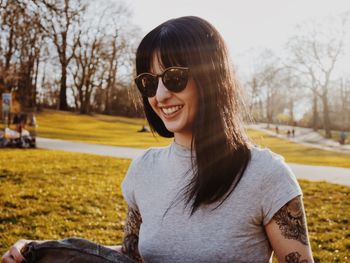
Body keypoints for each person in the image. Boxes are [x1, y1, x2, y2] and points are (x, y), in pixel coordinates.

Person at [2, 16, 314, 263]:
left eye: (174, 78)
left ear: (212, 79)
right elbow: (131, 255)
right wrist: (39, 251)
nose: (161, 95)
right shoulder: (143, 169)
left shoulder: (267, 174)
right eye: (149, 82)